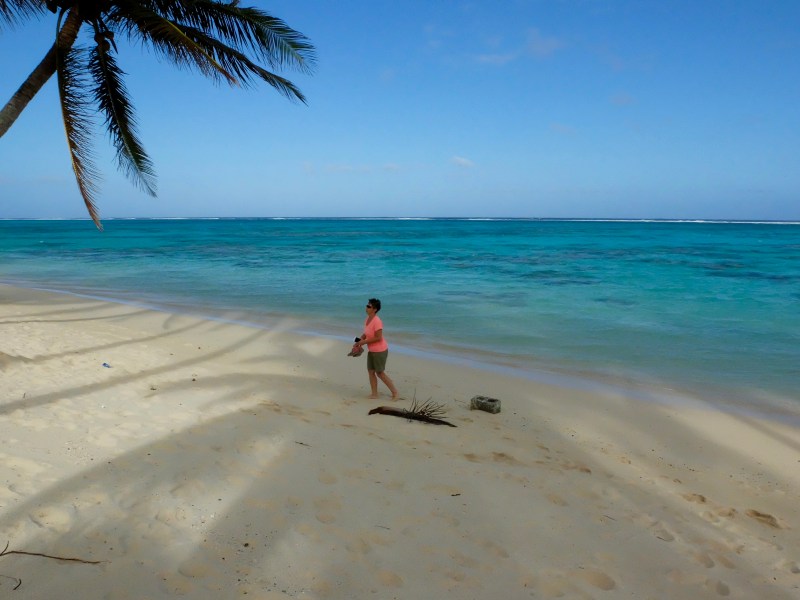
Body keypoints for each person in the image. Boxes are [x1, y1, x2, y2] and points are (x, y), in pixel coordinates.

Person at [354, 298, 399, 400]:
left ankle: (395, 393)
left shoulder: (377, 321)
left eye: (369, 306)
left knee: (380, 373)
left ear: (375, 309)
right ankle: (374, 394)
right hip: (372, 350)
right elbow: (366, 333)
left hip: (380, 351)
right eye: (367, 305)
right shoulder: (368, 319)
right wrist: (359, 342)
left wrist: (363, 342)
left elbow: (378, 337)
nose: (366, 307)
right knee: (371, 372)